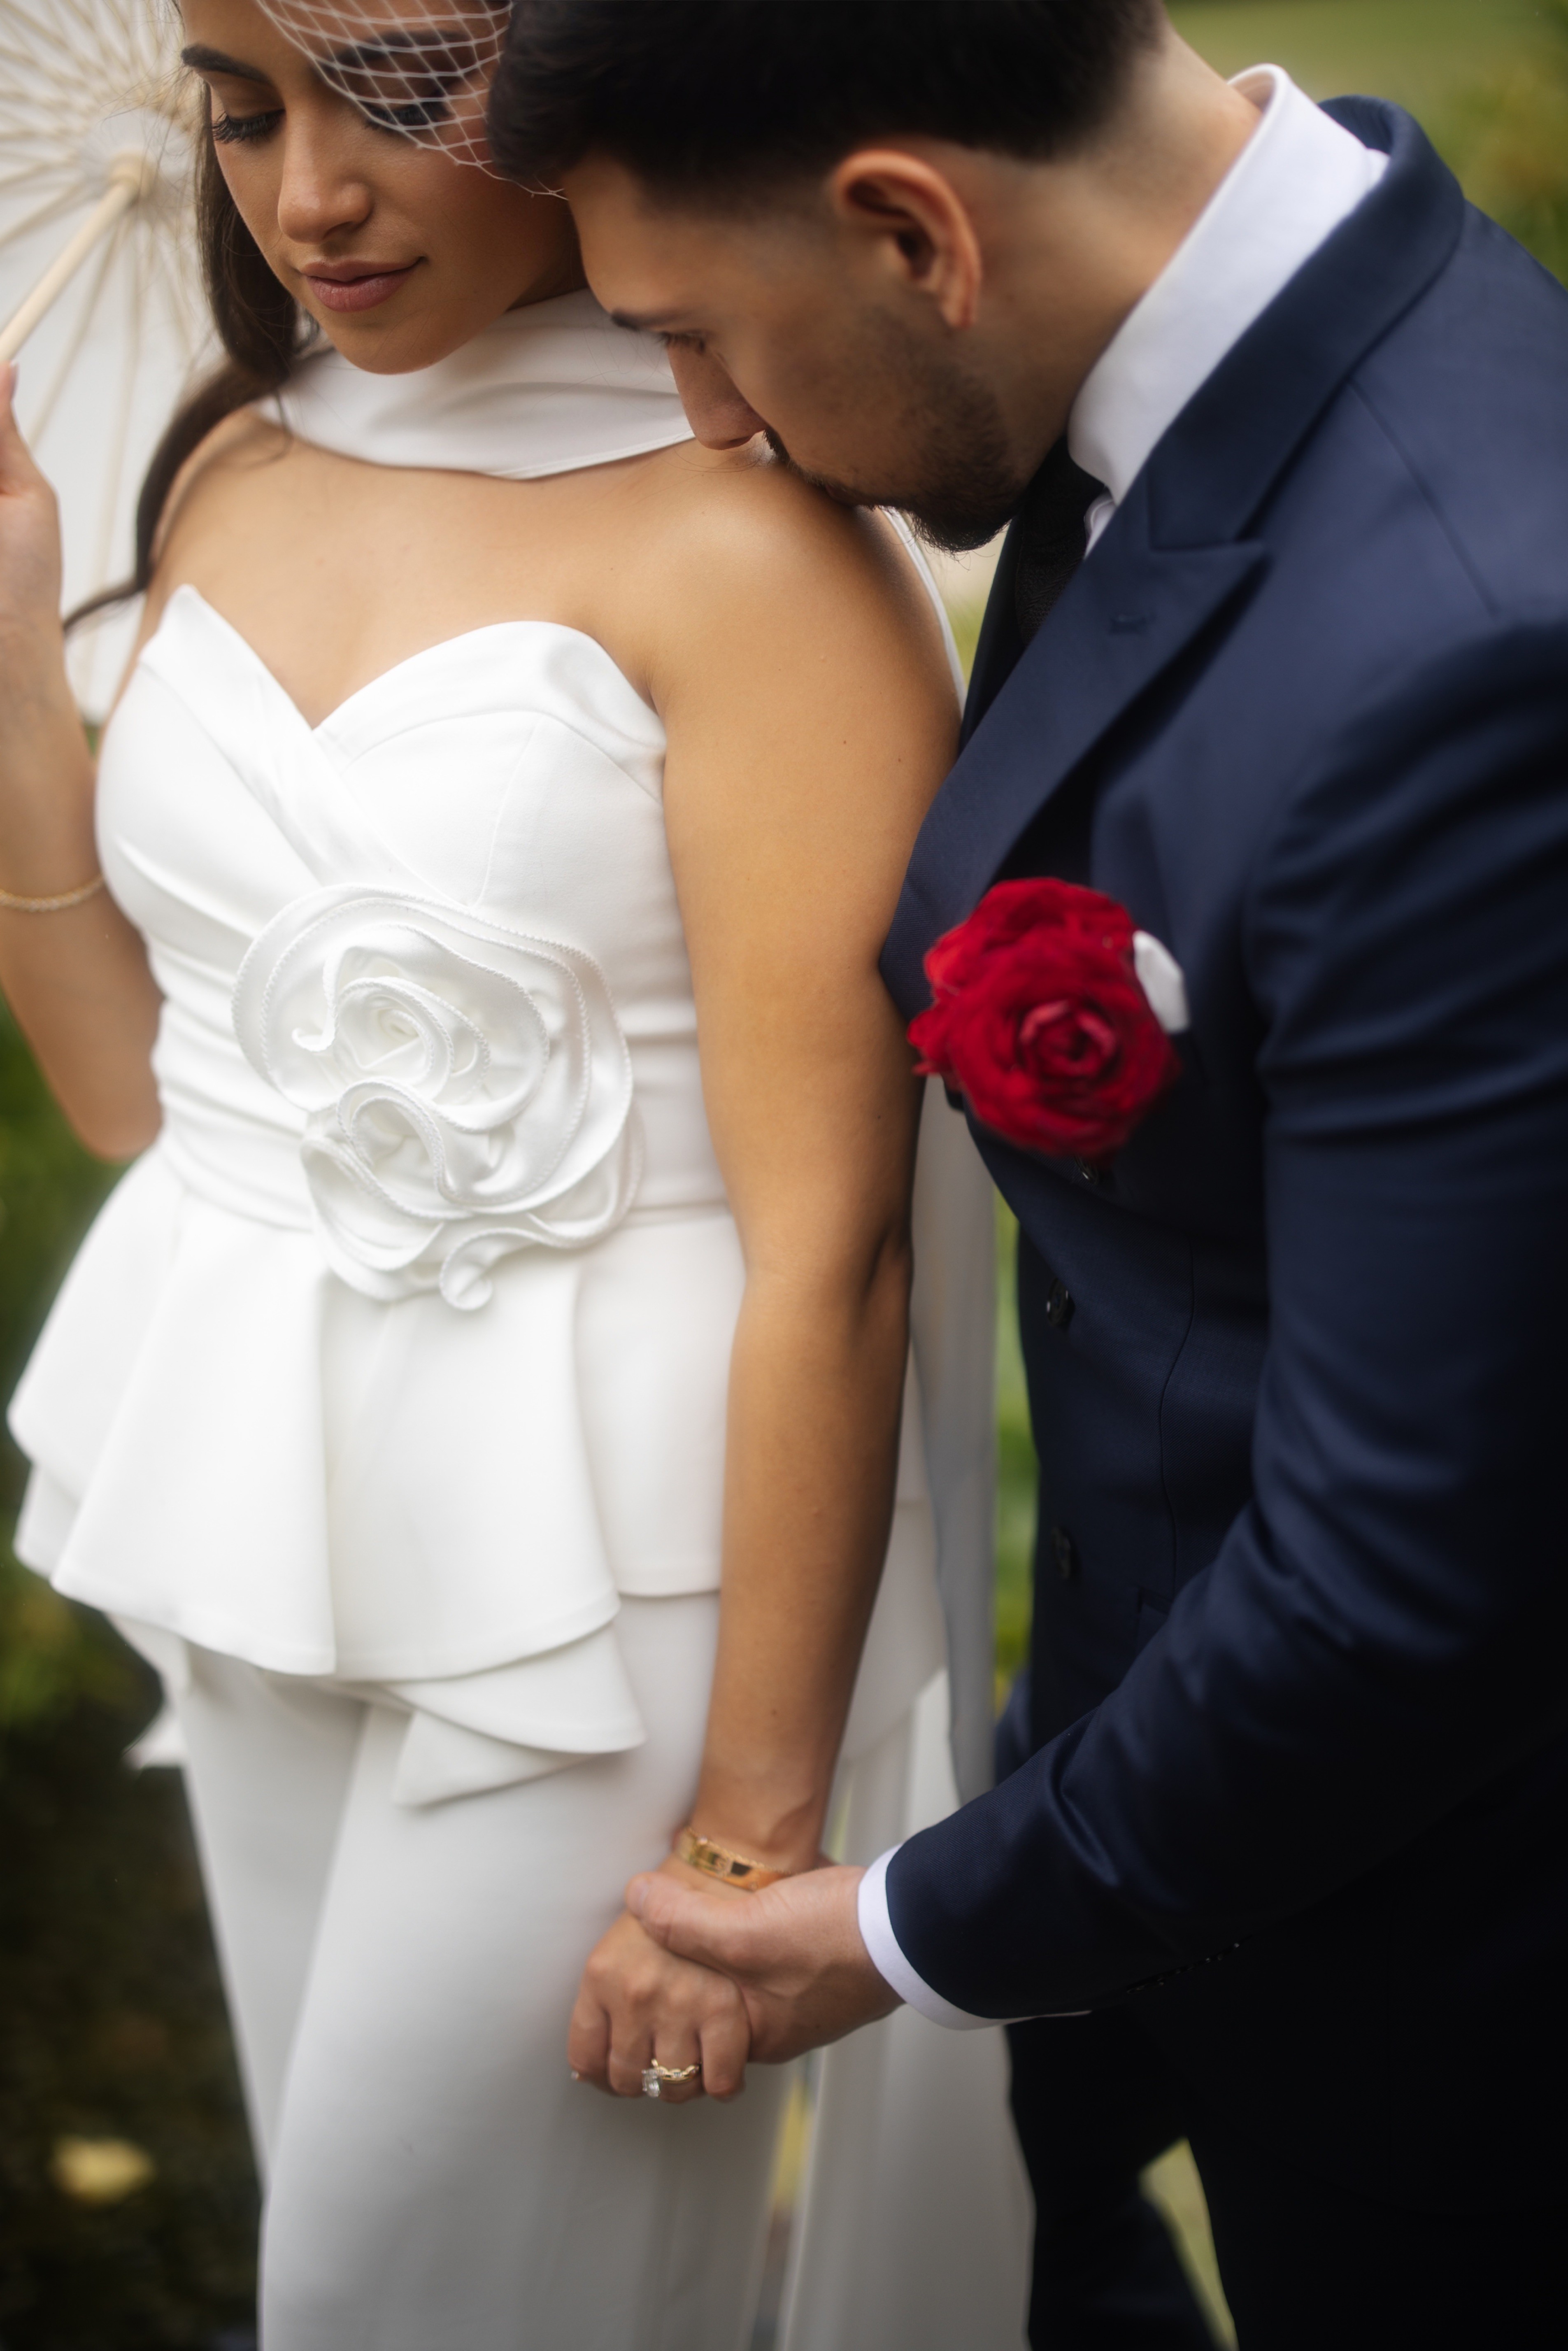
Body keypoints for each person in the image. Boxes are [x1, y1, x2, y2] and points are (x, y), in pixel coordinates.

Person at [490, 2, 1568, 2344]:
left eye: (694, 334)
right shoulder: (1206, 354)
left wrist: (902, 1927)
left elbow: (1413, 1579)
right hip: (1151, 1770)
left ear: (908, 229)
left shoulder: (1477, 647)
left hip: (1452, 1958)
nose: (704, 422)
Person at [0, 2, 1033, 2342]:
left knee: (402, 2295)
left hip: (623, 1588)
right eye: (246, 113)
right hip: (261, 1510)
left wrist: (750, 1837)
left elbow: (836, 1253)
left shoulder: (758, 557)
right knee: (353, 2262)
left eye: (384, 104)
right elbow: (141, 1116)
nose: (307, 200)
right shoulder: (231, 467)